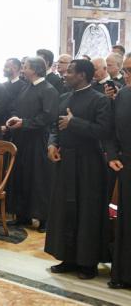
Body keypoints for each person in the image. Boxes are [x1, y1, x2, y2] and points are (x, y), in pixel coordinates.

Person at [45, 59, 112, 279]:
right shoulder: (64, 97)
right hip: (66, 162)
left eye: (70, 72)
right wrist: (52, 143)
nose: (65, 74)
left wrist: (75, 123)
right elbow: (55, 126)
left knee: (87, 212)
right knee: (66, 211)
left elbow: (104, 131)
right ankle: (69, 257)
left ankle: (88, 262)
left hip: (89, 164)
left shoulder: (100, 100)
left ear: (83, 75)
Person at [5, 57, 59, 232]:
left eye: (25, 67)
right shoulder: (25, 87)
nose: (22, 70)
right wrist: (14, 118)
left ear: (35, 70)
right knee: (21, 176)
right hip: (22, 139)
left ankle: (44, 219)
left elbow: (48, 116)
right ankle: (23, 215)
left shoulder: (48, 90)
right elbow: (15, 107)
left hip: (38, 140)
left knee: (39, 179)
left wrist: (25, 122)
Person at [105, 77, 131, 289]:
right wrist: (112, 154)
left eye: (130, 70)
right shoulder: (123, 95)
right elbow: (111, 129)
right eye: (125, 70)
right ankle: (124, 274)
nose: (126, 74)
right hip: (127, 164)